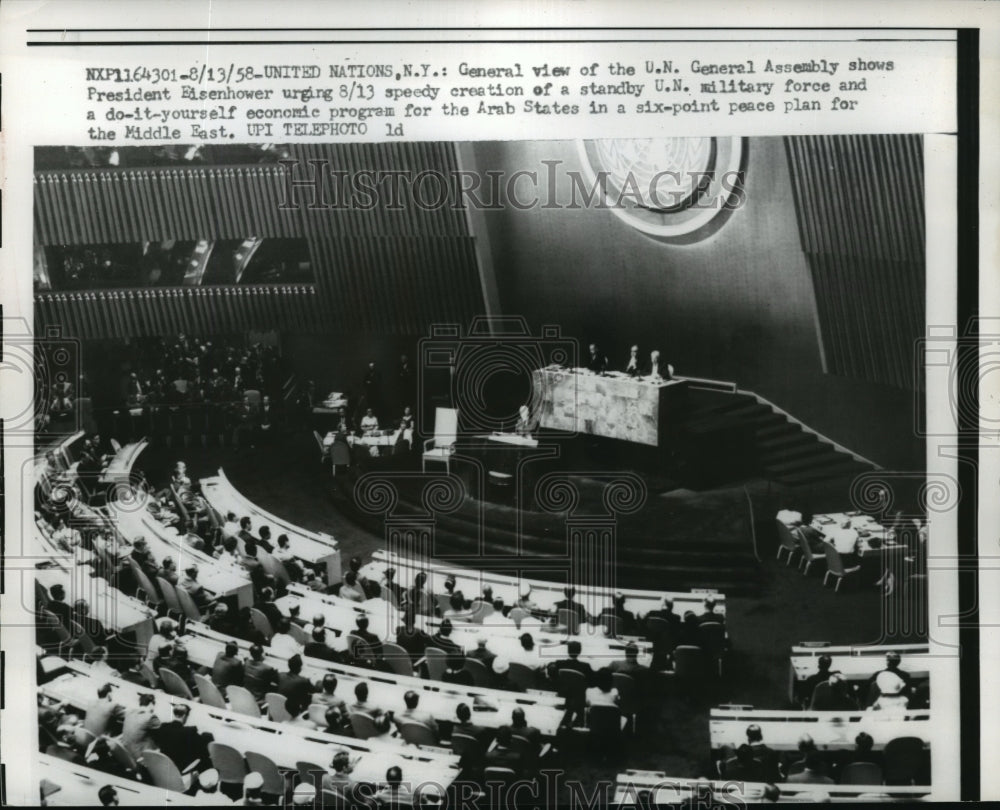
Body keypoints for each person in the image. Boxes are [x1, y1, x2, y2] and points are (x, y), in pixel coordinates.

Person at [154, 703, 213, 772]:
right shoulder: (188, 732)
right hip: (179, 768)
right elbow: (202, 749)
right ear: (185, 716)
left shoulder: (163, 727)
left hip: (163, 765)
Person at [120, 693, 162, 759]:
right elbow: (162, 729)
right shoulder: (151, 717)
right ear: (151, 704)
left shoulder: (129, 713)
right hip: (138, 756)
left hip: (124, 752)